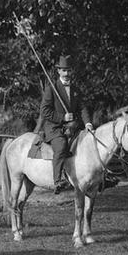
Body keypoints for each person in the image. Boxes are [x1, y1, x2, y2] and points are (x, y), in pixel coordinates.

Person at [41, 54, 94, 194]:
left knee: (89, 142)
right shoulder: (51, 88)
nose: (66, 73)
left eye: (69, 70)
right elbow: (44, 111)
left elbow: (82, 108)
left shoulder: (76, 89)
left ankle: (96, 178)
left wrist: (88, 123)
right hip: (55, 127)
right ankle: (58, 181)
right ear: (58, 71)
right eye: (63, 70)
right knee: (61, 146)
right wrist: (62, 117)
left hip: (72, 127)